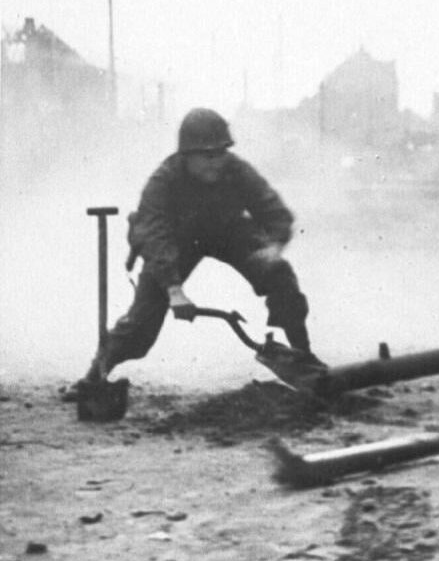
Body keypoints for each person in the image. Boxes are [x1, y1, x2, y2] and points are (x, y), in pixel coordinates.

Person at [70, 108, 314, 394]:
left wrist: (274, 247)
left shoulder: (236, 170)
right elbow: (156, 237)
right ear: (187, 155)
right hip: (176, 241)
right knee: (141, 326)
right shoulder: (163, 181)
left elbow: (274, 211)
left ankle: (305, 357)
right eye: (207, 156)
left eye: (221, 153)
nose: (216, 162)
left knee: (279, 273)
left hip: (227, 232)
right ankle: (95, 374)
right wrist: (174, 290)